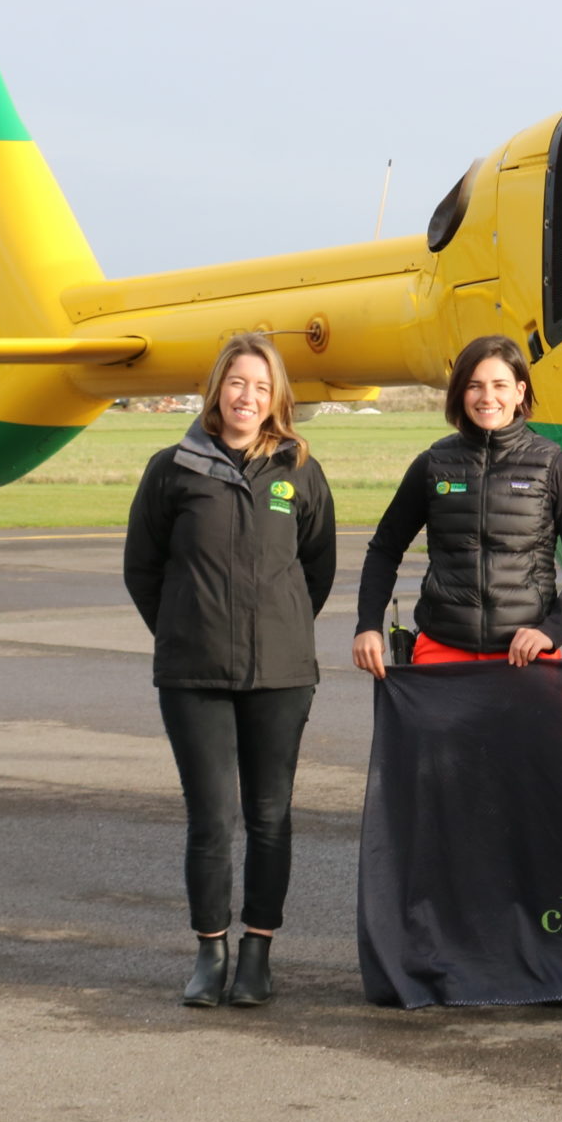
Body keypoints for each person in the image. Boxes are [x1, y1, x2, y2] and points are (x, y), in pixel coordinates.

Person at [123, 332, 337, 1008]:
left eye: (262, 386)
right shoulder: (171, 468)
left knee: (270, 814)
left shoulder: (299, 468)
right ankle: (209, 952)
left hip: (280, 673)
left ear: (277, 398)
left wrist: (279, 629)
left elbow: (318, 568)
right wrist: (188, 626)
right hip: (195, 672)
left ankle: (257, 953)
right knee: (211, 817)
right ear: (217, 387)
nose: (248, 396)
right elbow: (143, 568)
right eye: (238, 382)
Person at [351, 336, 562, 675]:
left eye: (499, 385)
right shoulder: (433, 464)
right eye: (475, 386)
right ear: (460, 393)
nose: (488, 397)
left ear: (519, 392)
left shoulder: (555, 467)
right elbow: (384, 549)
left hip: (525, 654)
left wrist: (551, 632)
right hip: (442, 649)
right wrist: (368, 624)